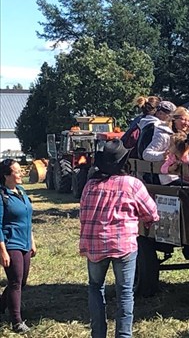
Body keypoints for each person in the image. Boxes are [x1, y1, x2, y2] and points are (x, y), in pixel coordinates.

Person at [79, 139, 159, 338]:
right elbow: (151, 212)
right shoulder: (132, 184)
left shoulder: (90, 185)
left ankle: (98, 334)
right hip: (123, 243)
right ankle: (123, 335)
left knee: (96, 288)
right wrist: (146, 221)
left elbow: (83, 213)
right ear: (124, 162)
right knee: (124, 292)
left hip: (94, 242)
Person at [0, 159, 35, 333]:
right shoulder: (2, 196)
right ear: (7, 175)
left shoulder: (21, 191)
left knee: (22, 281)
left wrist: (32, 241)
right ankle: (16, 321)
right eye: (17, 171)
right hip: (11, 243)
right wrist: (3, 251)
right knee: (15, 282)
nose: (21, 173)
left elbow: (28, 218)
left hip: (25, 243)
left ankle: (1, 305)